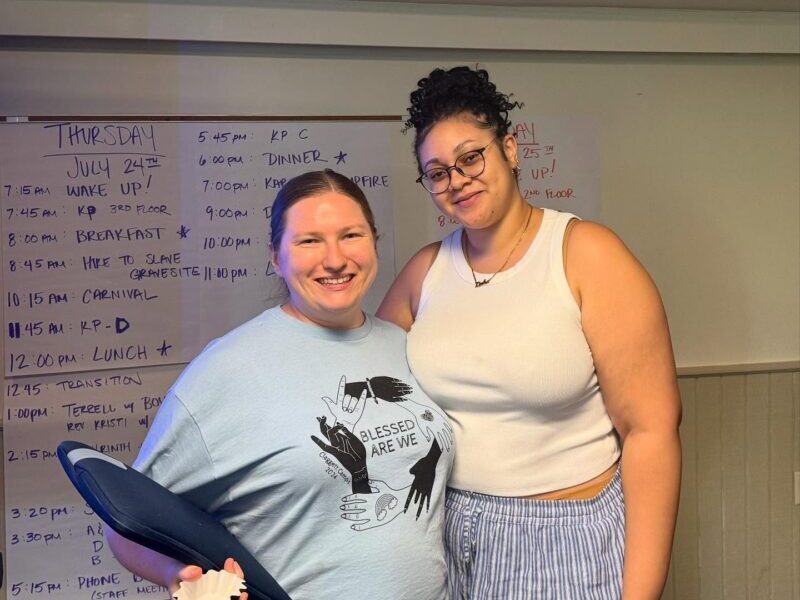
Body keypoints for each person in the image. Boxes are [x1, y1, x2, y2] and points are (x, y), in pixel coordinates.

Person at [378, 66, 682, 599]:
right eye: (437, 172)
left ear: (510, 149)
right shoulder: (424, 272)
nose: (457, 180)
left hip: (564, 538)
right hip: (444, 536)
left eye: (471, 157)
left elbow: (650, 432)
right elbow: (362, 379)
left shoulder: (586, 254)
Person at [107, 169, 454, 600]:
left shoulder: (404, 347)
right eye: (309, 241)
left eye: (351, 235)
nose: (335, 259)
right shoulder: (228, 370)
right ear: (276, 256)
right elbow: (125, 522)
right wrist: (179, 574)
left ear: (374, 242)